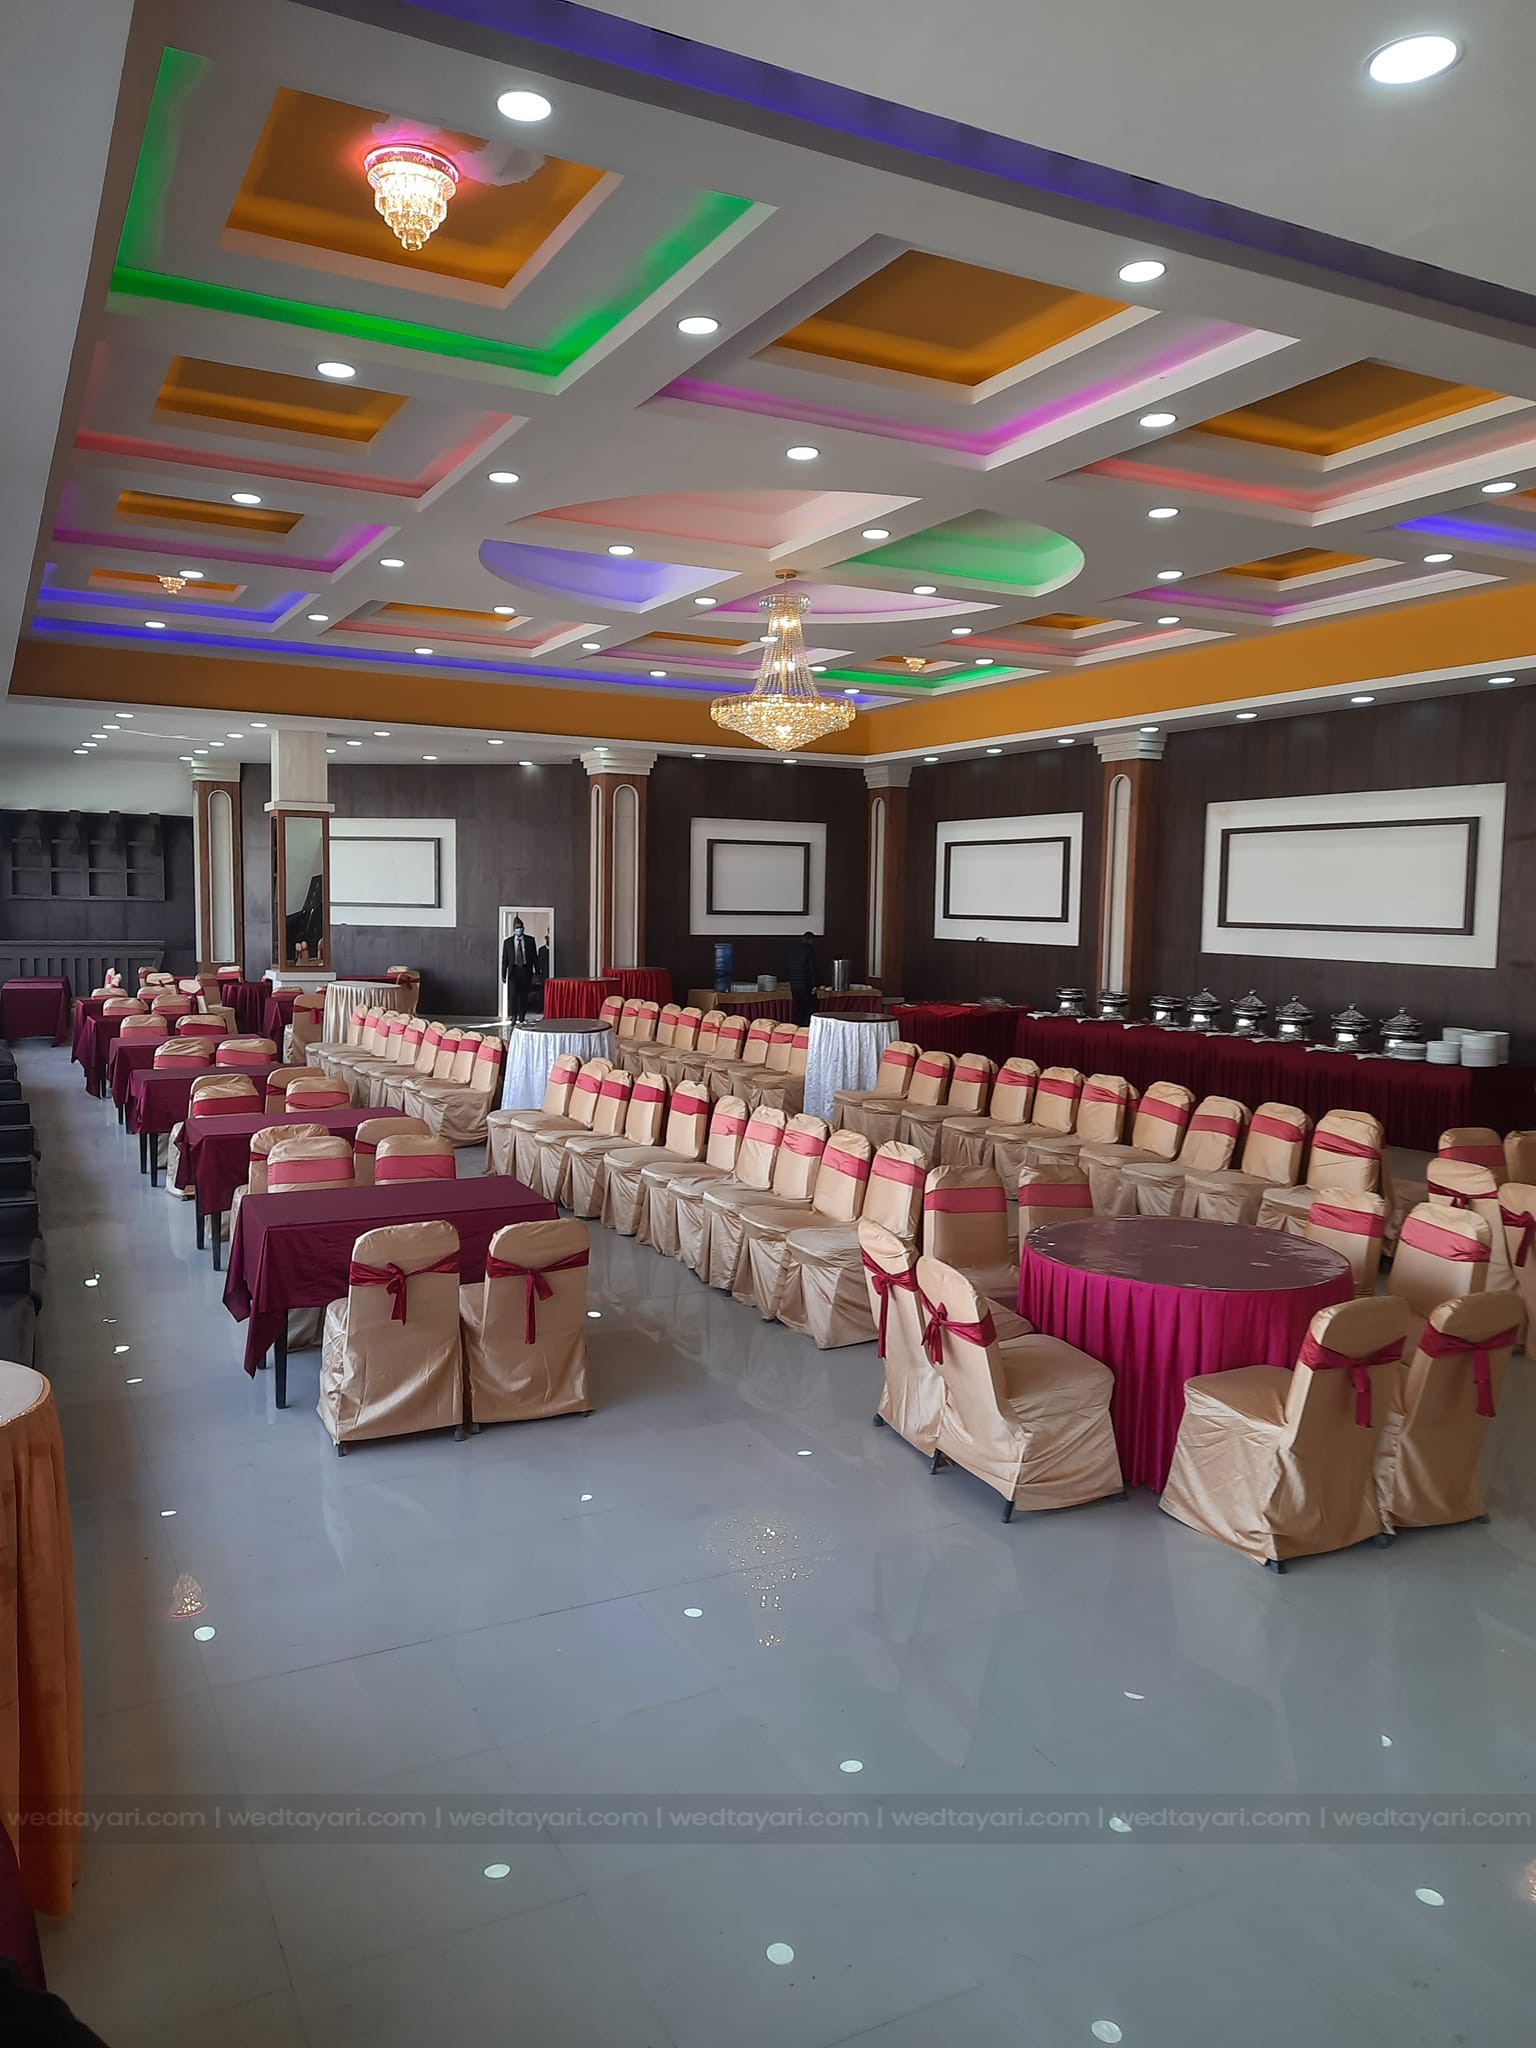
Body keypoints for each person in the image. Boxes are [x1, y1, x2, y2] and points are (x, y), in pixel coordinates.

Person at [501, 917, 538, 1025]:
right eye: (517, 928)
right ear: (514, 929)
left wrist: (537, 971)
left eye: (520, 927)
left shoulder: (530, 940)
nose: (519, 929)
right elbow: (505, 959)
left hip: (525, 971)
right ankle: (514, 1016)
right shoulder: (507, 942)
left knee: (524, 995)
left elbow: (534, 957)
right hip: (513, 971)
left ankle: (522, 1017)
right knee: (513, 995)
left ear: (523, 928)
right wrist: (503, 974)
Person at [786, 929, 819, 1027]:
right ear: (811, 940)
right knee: (808, 1008)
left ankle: (798, 1026)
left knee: (798, 1007)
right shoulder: (809, 951)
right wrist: (814, 984)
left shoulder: (793, 951)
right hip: (805, 984)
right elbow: (812, 968)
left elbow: (788, 967)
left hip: (794, 985)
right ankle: (806, 1027)